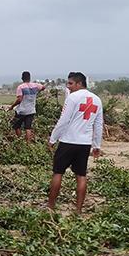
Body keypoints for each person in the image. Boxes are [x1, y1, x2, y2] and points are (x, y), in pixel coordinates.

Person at [47, 72, 103, 212]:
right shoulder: (97, 99)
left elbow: (63, 120)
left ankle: (51, 206)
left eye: (71, 83)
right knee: (81, 175)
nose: (68, 86)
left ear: (79, 84)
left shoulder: (73, 98)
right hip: (84, 144)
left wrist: (53, 138)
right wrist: (96, 145)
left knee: (58, 173)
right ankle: (78, 210)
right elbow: (98, 124)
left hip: (68, 141)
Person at [10, 71, 46, 141]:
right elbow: (43, 87)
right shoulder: (35, 85)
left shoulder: (20, 87)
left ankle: (19, 140)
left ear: (22, 78)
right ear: (29, 78)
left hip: (21, 111)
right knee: (28, 128)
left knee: (17, 126)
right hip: (31, 110)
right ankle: (28, 144)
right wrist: (37, 92)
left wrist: (12, 106)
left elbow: (19, 100)